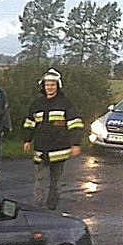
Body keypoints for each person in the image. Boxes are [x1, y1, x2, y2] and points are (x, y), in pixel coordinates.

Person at [22, 68, 84, 210]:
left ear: (58, 86)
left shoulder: (65, 103)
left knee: (55, 182)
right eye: (47, 85)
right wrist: (27, 140)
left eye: (52, 85)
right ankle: (37, 207)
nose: (49, 87)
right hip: (40, 148)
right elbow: (29, 123)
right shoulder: (37, 104)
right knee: (39, 179)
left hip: (58, 149)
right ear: (43, 86)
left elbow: (75, 124)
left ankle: (51, 208)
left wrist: (76, 144)